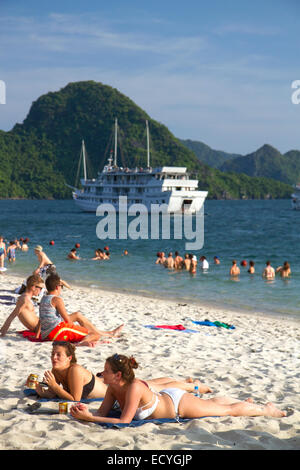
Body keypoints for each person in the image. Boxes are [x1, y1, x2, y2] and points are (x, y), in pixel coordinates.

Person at [70, 354, 286, 425]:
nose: (102, 373)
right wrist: (86, 413)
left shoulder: (134, 387)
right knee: (212, 405)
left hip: (177, 404)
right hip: (166, 398)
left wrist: (90, 419)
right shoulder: (112, 388)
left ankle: (267, 410)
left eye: (106, 371)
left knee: (226, 411)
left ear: (117, 375)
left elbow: (125, 422)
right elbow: (102, 414)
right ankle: (246, 404)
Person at [34, 342, 212, 402]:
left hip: (120, 387)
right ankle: (184, 381)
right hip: (107, 383)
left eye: (58, 355)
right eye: (53, 354)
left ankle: (195, 386)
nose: (54, 358)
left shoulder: (74, 370)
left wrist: (53, 388)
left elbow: (74, 399)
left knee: (154, 386)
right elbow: (60, 393)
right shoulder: (56, 370)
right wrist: (43, 391)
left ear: (69, 358)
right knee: (152, 382)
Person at [37, 274, 124, 347]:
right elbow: (67, 320)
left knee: (77, 315)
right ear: (57, 287)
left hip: (47, 332)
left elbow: (42, 319)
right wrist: (76, 330)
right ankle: (80, 343)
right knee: (94, 335)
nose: (61, 288)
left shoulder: (44, 298)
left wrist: (38, 334)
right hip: (56, 331)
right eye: (61, 286)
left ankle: (109, 333)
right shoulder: (57, 300)